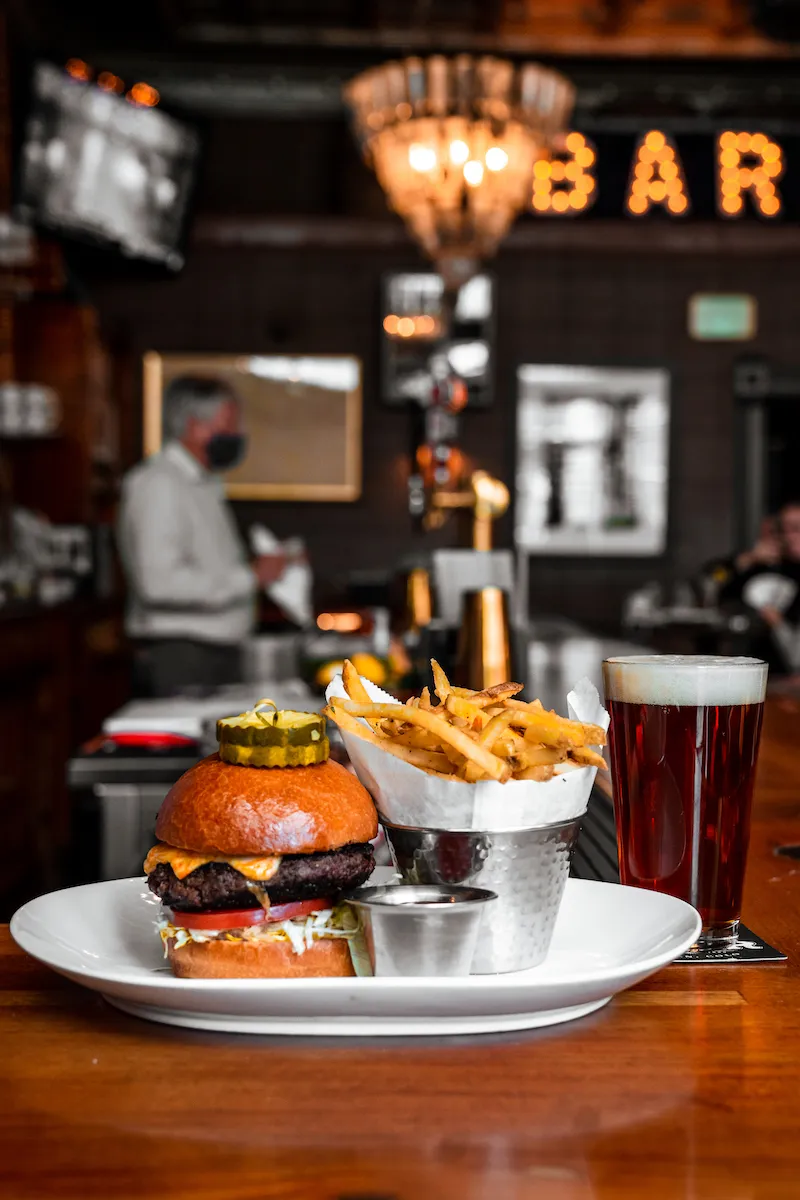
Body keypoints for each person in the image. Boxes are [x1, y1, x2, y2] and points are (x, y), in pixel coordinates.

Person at [118, 375, 286, 697]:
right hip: (182, 656)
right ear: (195, 426)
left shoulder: (203, 484)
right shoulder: (158, 484)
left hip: (214, 652)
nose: (238, 435)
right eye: (230, 424)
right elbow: (158, 584)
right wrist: (250, 577)